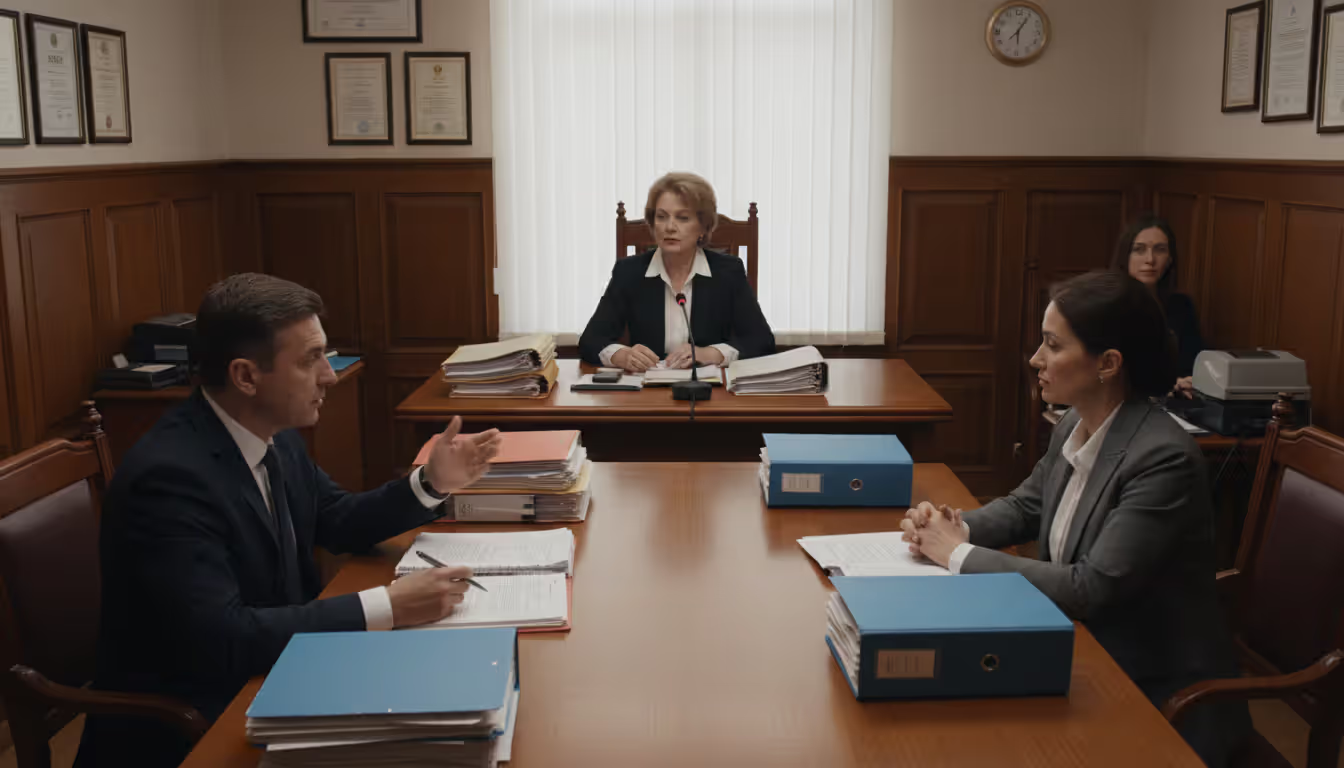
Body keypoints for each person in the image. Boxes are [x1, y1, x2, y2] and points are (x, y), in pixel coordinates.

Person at [76, 274, 502, 768]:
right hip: (194, 725)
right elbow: (224, 639)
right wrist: (387, 606)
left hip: (281, 676)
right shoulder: (170, 479)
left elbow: (336, 519)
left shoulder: (269, 430)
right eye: (310, 360)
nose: (330, 375)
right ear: (246, 376)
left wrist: (430, 483)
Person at [901, 271, 1248, 767]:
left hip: (1152, 695)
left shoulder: (1163, 458)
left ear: (1108, 363)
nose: (1035, 360)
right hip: (1080, 652)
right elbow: (1026, 506)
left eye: (1051, 345)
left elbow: (1091, 588)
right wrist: (951, 527)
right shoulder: (1073, 422)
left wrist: (955, 553)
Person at [578, 172, 775, 372]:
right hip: (646, 391)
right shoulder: (629, 272)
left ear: (702, 228)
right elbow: (591, 340)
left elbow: (761, 341)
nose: (670, 227)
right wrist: (623, 356)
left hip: (709, 391)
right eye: (661, 217)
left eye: (682, 218)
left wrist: (709, 353)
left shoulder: (728, 272)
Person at [1111, 214, 1205, 397]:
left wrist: (1189, 381)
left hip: (1174, 403)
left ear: (1170, 259)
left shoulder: (1181, 306)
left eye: (1160, 250)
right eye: (1139, 250)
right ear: (1126, 256)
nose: (1150, 259)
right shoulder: (1108, 305)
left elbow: (1194, 363)